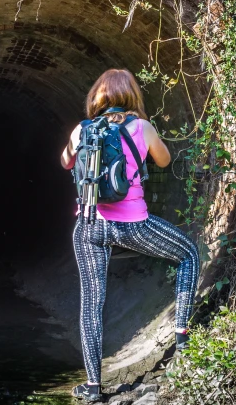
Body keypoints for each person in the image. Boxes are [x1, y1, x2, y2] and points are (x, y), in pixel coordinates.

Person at [60, 69, 201, 402]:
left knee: (90, 306)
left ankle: (93, 387)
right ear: (131, 96)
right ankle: (182, 337)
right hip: (133, 225)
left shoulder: (83, 129)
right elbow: (164, 161)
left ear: (98, 97)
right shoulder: (141, 127)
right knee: (189, 254)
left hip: (89, 226)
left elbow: (65, 162)